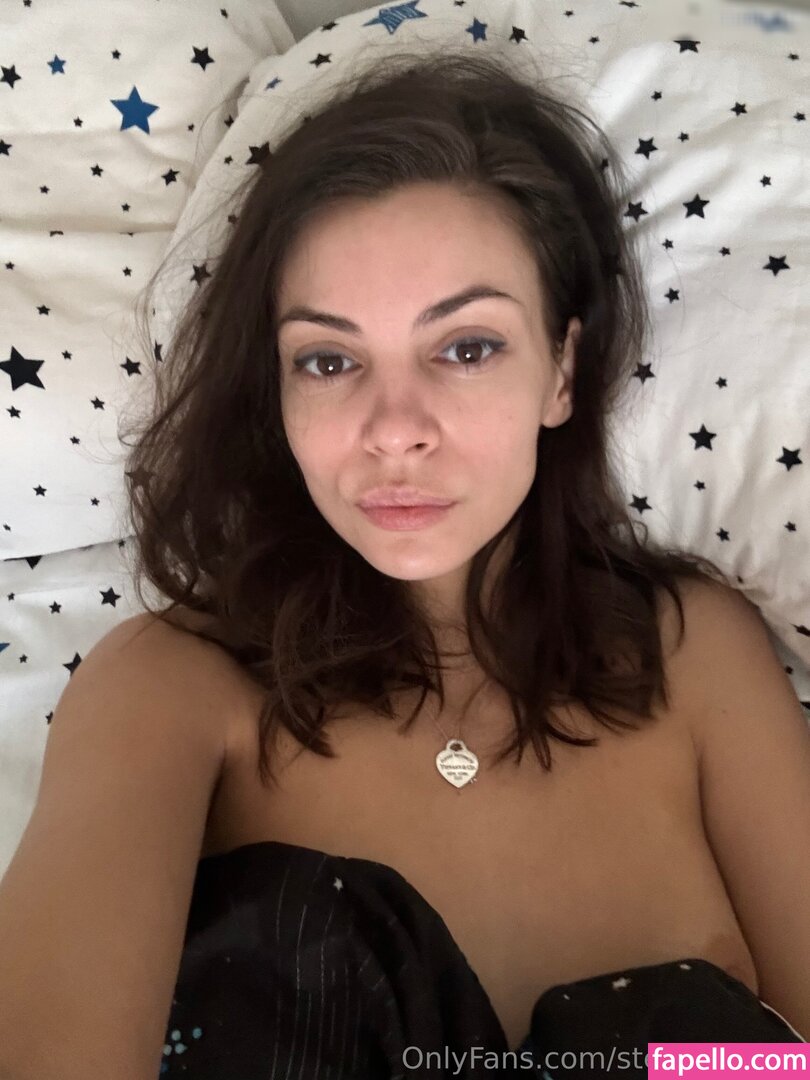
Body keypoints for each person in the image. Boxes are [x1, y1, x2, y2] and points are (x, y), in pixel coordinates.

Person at [1, 48, 808, 1080]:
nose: (394, 429)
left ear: (561, 371)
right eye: (329, 360)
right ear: (278, 392)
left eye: (466, 348)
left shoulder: (692, 656)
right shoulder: (166, 689)